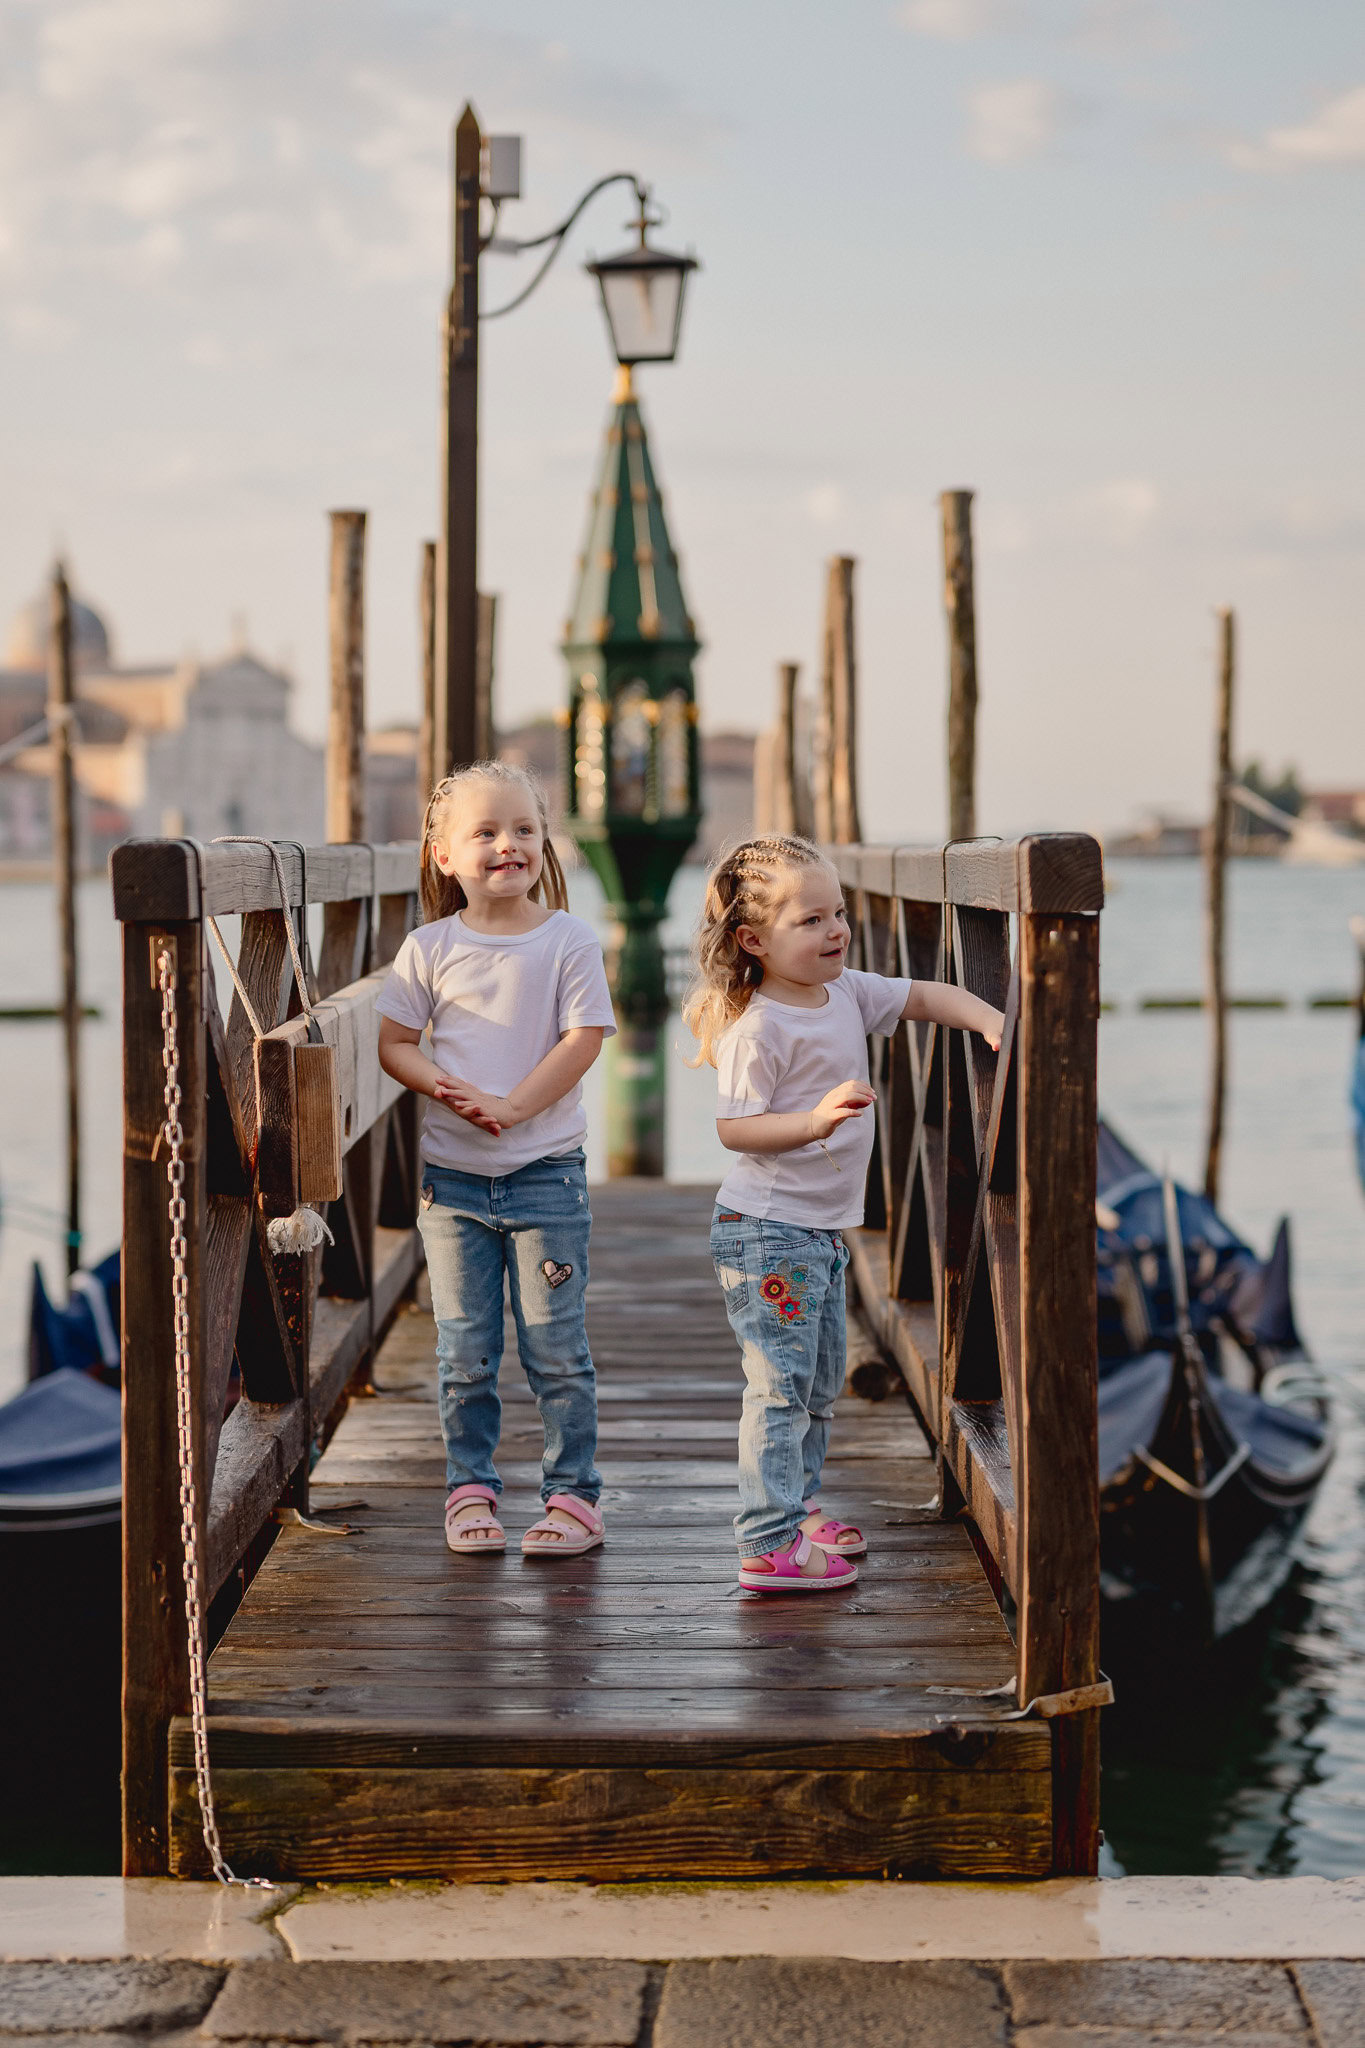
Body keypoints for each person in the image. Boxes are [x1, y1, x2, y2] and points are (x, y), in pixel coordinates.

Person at [685, 835, 1005, 1594]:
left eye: (838, 914)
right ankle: (766, 1543)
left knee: (820, 1380)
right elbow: (734, 1131)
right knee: (778, 1387)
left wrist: (991, 1019)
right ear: (752, 940)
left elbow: (923, 996)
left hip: (817, 1233)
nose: (835, 931)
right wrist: (816, 1119)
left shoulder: (846, 993)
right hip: (765, 1232)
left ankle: (797, 1510)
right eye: (811, 920)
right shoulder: (760, 1028)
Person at [376, 761, 616, 1560]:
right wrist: (442, 1087)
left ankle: (572, 1495)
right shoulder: (427, 947)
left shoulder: (568, 940)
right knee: (464, 1349)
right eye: (483, 832)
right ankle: (469, 1486)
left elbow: (584, 1038)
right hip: (452, 1185)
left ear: (546, 845)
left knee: (555, 1347)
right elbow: (394, 1046)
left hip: (546, 1172)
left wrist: (515, 1107)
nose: (506, 845)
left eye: (523, 829)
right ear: (443, 855)